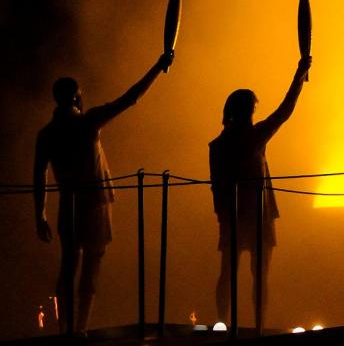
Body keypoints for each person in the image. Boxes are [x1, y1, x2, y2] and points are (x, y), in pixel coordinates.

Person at [33, 52, 174, 334]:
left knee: (68, 264)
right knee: (91, 265)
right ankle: (80, 327)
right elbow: (130, 98)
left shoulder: (47, 133)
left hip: (66, 204)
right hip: (95, 204)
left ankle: (65, 329)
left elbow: (39, 174)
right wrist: (158, 66)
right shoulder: (87, 122)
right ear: (76, 97)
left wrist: (40, 214)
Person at [209, 55, 310, 328]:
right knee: (259, 275)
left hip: (232, 215)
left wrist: (222, 215)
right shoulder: (254, 137)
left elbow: (216, 187)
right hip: (256, 214)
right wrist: (299, 75)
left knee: (228, 272)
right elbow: (284, 111)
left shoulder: (218, 145)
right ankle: (258, 326)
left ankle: (222, 323)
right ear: (246, 112)